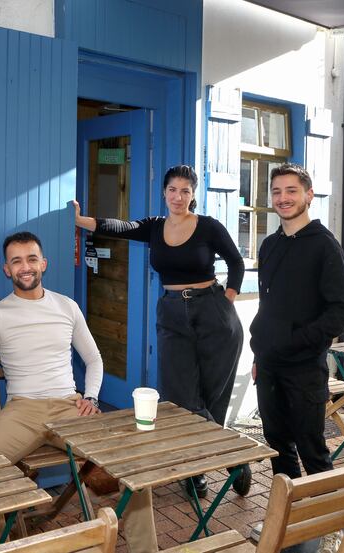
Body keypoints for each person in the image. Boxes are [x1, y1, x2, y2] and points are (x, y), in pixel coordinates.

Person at [0, 232, 157, 553]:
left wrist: (91, 396)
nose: (25, 267)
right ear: (7, 269)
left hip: (69, 407)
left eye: (31, 259)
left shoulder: (66, 307)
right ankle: (1, 548)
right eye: (17, 261)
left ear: (43, 263)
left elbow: (94, 359)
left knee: (132, 461)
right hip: (21, 411)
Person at [74, 164, 249, 498]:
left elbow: (236, 262)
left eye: (185, 191)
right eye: (172, 190)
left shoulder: (208, 227)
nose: (178, 197)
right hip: (172, 313)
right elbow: (122, 227)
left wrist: (226, 301)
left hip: (213, 311)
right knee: (181, 398)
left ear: (193, 195)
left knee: (213, 395)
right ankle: (233, 454)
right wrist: (82, 221)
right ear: (164, 192)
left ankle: (196, 470)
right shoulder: (155, 227)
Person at [249, 163, 344, 553]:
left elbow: (341, 312)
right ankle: (289, 518)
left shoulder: (324, 245)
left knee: (312, 448)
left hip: (305, 367)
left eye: (291, 190)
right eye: (276, 191)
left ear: (309, 195)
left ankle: (332, 528)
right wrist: (261, 350)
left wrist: (296, 341)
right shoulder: (270, 245)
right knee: (278, 445)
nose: (283, 198)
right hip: (269, 365)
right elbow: (269, 306)